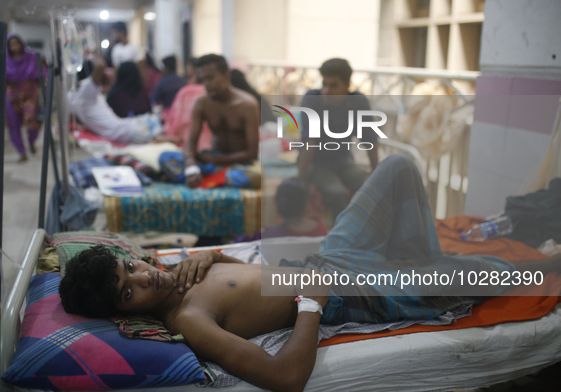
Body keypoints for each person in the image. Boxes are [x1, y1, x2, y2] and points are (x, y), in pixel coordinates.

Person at [60, 153, 561, 392]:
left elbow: (248, 285)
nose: (144, 279)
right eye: (129, 294)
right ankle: (508, 267)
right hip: (347, 289)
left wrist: (216, 257)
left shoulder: (178, 270)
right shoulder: (189, 321)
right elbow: (286, 377)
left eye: (132, 268)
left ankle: (425, 261)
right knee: (494, 276)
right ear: (124, 313)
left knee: (400, 166)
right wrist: (311, 305)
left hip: (327, 258)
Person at [298, 58, 379, 222]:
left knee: (370, 189)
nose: (327, 91)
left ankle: (371, 234)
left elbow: (369, 140)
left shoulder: (358, 101)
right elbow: (309, 141)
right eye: (324, 84)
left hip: (344, 161)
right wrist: (301, 181)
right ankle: (343, 238)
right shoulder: (312, 99)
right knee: (337, 193)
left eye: (334, 85)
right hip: (317, 163)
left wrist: (377, 174)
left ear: (347, 86)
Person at [185, 54, 260, 187]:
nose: (207, 84)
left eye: (211, 78)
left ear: (227, 75)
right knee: (166, 157)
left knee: (256, 176)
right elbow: (191, 144)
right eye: (203, 80)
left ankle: (211, 179)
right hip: (211, 162)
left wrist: (217, 160)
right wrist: (191, 168)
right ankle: (207, 177)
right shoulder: (202, 104)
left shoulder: (247, 105)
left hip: (240, 165)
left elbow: (252, 153)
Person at [70, 56, 166, 144]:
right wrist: (91, 56)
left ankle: (159, 137)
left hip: (126, 127)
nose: (107, 74)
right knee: (153, 119)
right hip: (127, 131)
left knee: (152, 119)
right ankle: (160, 138)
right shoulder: (85, 93)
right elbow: (100, 66)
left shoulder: (83, 97)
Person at [5, 34, 46, 162]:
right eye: (11, 44)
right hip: (12, 94)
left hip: (30, 94)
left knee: (32, 122)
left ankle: (31, 142)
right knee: (13, 124)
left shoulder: (32, 57)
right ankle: (21, 152)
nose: (14, 47)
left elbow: (42, 73)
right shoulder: (5, 60)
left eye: (16, 43)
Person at [162, 58, 213, 150]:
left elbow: (174, 125)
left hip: (189, 145)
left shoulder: (186, 92)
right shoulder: (212, 93)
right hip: (211, 147)